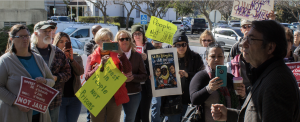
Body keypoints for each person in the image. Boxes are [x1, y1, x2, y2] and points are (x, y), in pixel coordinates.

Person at [211, 20, 300, 122]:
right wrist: (230, 115)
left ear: (270, 47)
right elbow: (256, 115)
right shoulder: (266, 73)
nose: (243, 44)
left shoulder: (277, 84)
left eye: (251, 39)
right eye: (246, 38)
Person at [0, 24, 55, 122]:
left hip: (39, 115)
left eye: (27, 36)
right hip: (15, 115)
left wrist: (45, 82)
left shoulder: (38, 58)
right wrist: (16, 101)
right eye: (21, 36)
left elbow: (51, 80)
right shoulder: (5, 61)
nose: (25, 39)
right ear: (12, 39)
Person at [85, 28, 132, 122]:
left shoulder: (118, 55)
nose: (105, 42)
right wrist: (99, 66)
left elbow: (128, 70)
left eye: (107, 40)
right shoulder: (91, 57)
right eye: (102, 40)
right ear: (97, 42)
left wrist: (121, 54)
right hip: (97, 96)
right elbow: (87, 77)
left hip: (114, 96)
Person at [189, 44, 246, 122]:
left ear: (224, 58)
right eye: (212, 56)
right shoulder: (202, 76)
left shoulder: (231, 78)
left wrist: (243, 95)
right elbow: (194, 99)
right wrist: (209, 89)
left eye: (220, 56)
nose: (216, 59)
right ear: (206, 59)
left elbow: (242, 104)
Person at [30, 21, 72, 122]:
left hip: (53, 100)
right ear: (36, 33)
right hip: (32, 100)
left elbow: (67, 72)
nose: (48, 34)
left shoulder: (58, 52)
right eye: (45, 31)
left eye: (50, 31)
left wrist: (56, 78)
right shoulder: (27, 52)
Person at [162, 29, 204, 122]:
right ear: (173, 45)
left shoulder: (195, 57)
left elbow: (202, 76)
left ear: (187, 44)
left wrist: (187, 75)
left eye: (184, 44)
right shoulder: (167, 58)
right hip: (172, 100)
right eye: (178, 45)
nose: (181, 47)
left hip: (189, 99)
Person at [115, 30, 148, 122]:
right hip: (115, 92)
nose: (124, 41)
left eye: (127, 38)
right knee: (113, 118)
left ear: (130, 40)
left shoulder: (137, 56)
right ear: (117, 41)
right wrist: (120, 77)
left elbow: (144, 76)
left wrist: (133, 77)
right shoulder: (113, 55)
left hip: (133, 93)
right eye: (121, 39)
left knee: (130, 119)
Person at [52, 32, 84, 122]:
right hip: (59, 98)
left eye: (67, 41)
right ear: (56, 43)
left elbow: (80, 72)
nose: (64, 44)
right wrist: (61, 56)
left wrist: (71, 59)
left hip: (75, 98)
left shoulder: (76, 57)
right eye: (61, 41)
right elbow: (53, 72)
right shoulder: (53, 58)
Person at [132, 25, 155, 122]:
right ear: (132, 36)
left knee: (145, 113)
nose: (137, 36)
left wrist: (146, 60)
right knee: (135, 114)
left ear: (143, 35)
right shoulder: (130, 47)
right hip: (134, 84)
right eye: (135, 34)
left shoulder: (149, 47)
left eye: (139, 33)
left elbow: (155, 65)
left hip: (146, 86)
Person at [84, 24, 102, 122]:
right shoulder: (89, 45)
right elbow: (91, 60)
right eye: (99, 31)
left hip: (105, 85)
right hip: (92, 85)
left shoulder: (108, 44)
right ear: (94, 33)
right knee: (90, 115)